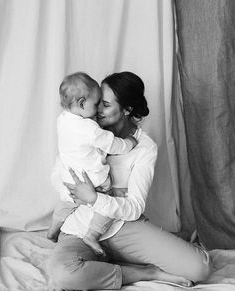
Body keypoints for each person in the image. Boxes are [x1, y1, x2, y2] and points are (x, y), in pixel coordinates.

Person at [48, 72, 211, 290]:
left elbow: (134, 207)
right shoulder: (84, 131)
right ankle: (143, 272)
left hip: (122, 226)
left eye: (104, 104)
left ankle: (114, 260)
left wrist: (96, 199)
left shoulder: (145, 147)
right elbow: (59, 174)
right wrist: (74, 194)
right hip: (80, 226)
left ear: (126, 109)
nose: (96, 110)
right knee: (63, 275)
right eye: (97, 103)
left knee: (200, 268)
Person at [48, 72, 137, 255]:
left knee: (66, 203)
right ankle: (92, 235)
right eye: (96, 104)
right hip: (92, 181)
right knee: (110, 202)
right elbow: (113, 144)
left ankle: (53, 229)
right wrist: (129, 142)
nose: (98, 110)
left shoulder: (63, 119)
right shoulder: (90, 130)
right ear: (81, 104)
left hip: (68, 178)